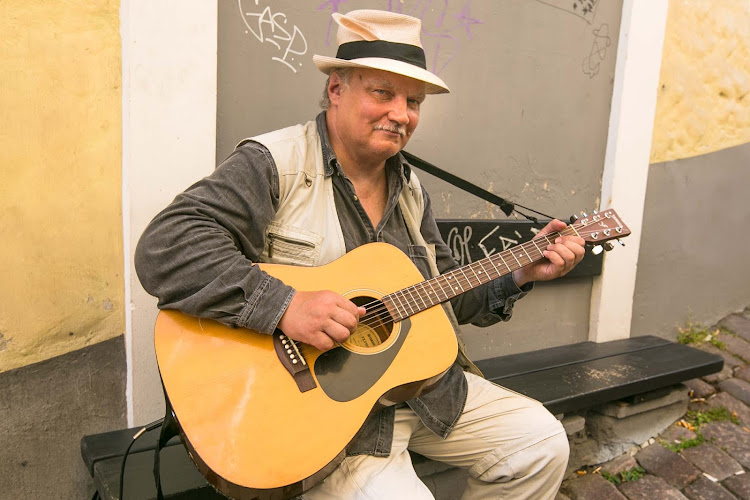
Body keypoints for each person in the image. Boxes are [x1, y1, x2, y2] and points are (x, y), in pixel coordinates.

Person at [135, 9, 585, 500]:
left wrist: (520, 272)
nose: (402, 113)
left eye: (413, 101)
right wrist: (284, 305)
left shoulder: (410, 190)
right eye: (382, 93)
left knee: (540, 445)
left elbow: (448, 296)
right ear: (336, 90)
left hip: (416, 392)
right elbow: (166, 246)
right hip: (318, 416)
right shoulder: (274, 163)